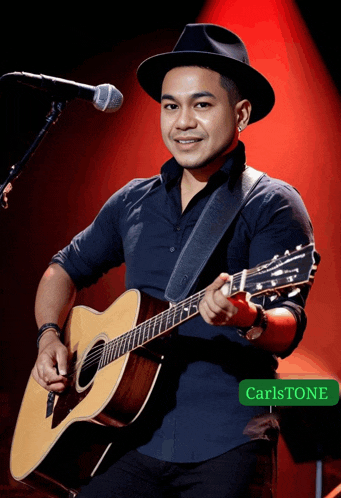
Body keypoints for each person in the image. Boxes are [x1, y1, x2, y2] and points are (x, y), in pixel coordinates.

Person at [32, 24, 314, 497]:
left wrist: (249, 316)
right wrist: (48, 338)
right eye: (170, 106)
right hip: (121, 438)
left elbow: (289, 324)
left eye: (201, 105)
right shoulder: (133, 201)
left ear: (241, 113)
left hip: (224, 443)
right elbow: (62, 269)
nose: (182, 121)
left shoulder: (272, 203)